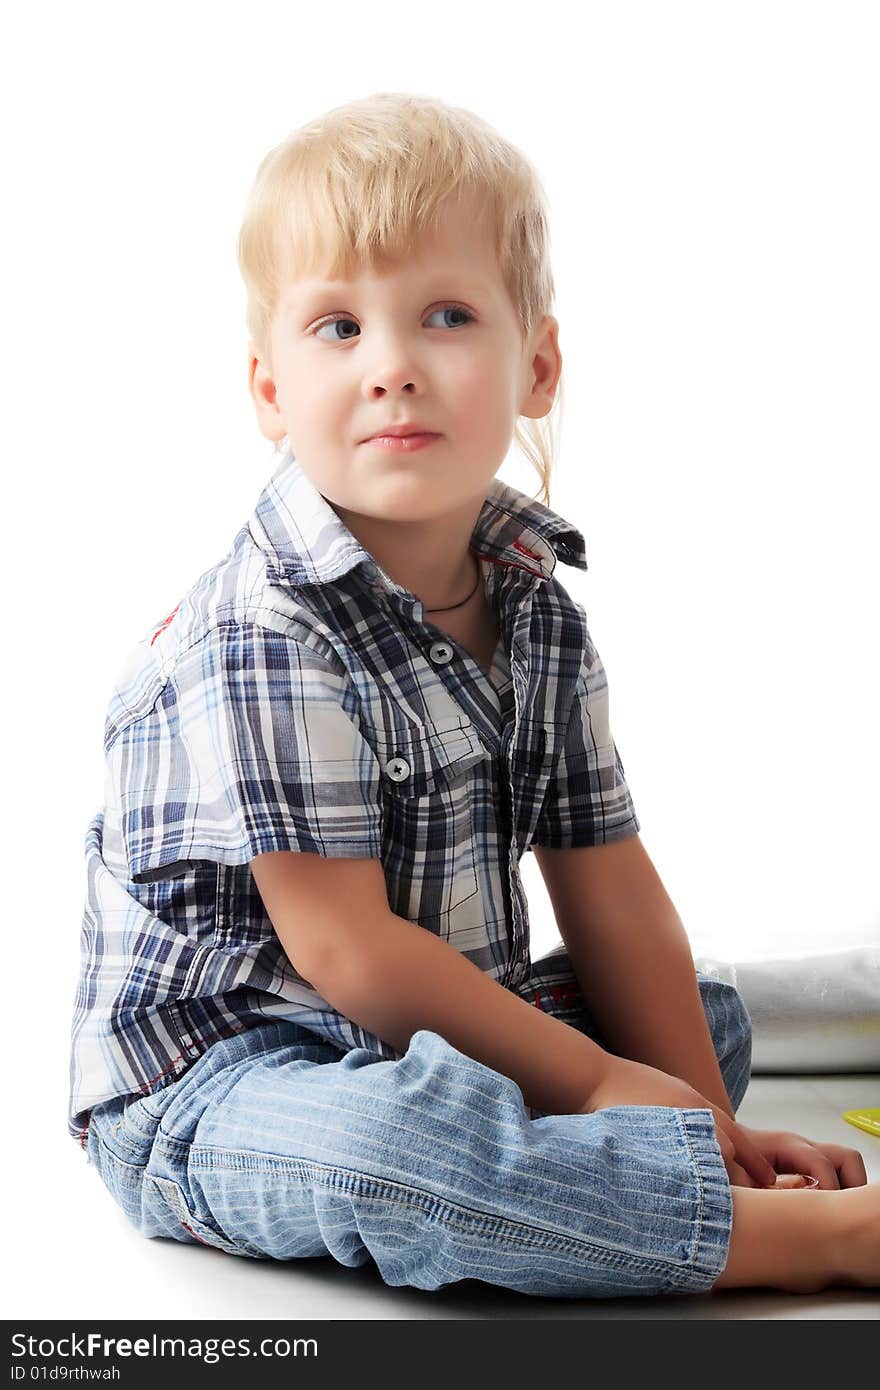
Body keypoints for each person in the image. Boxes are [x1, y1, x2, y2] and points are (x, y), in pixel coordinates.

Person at [69, 91, 877, 1300]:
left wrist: (700, 1120)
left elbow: (608, 886)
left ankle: (652, 1191)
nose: (392, 366)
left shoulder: (537, 609)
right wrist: (602, 1087)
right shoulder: (262, 624)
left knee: (694, 1013)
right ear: (269, 391)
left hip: (447, 1022)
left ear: (534, 364)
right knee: (405, 1152)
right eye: (337, 328)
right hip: (234, 1074)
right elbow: (345, 949)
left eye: (445, 316)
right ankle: (813, 1245)